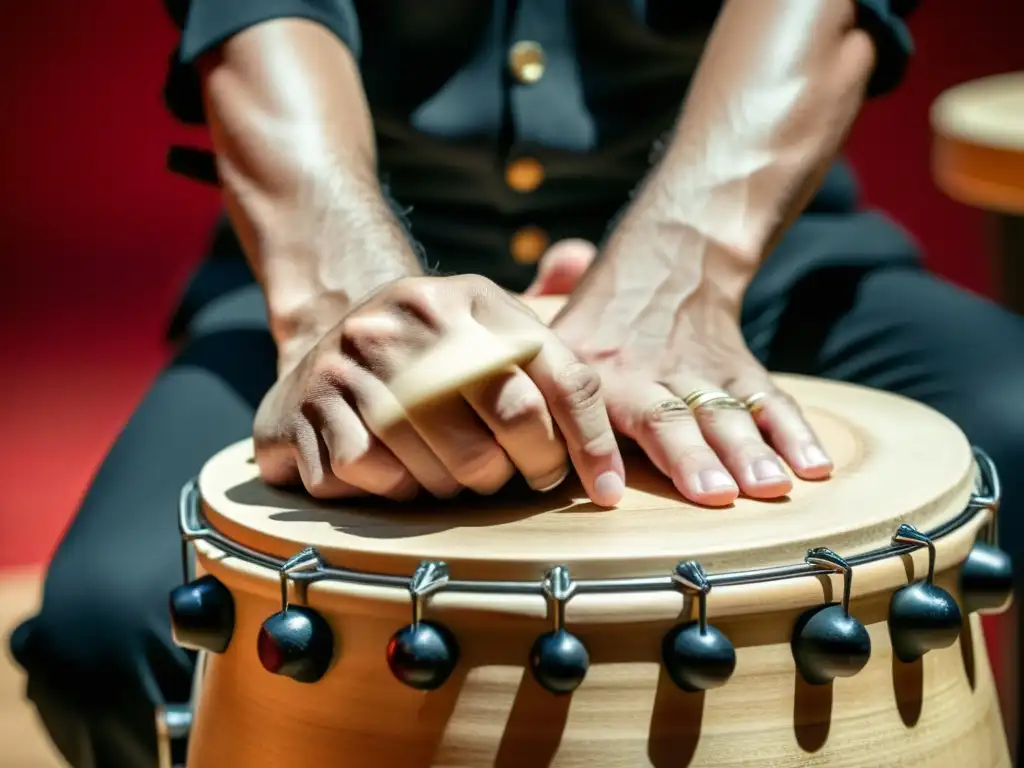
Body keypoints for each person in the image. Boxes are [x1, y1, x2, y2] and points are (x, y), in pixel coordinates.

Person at [10, 0, 1024, 765]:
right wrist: (353, 315)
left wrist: (671, 279)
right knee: (112, 621)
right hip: (354, 259)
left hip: (746, 254)